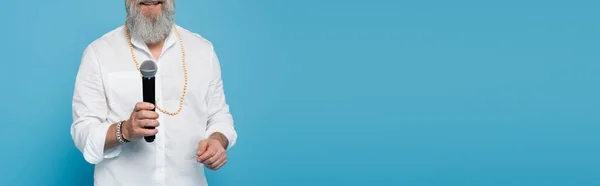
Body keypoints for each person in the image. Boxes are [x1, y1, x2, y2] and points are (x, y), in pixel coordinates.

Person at [70, 0, 237, 185]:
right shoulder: (98, 53)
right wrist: (124, 130)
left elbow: (219, 116)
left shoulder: (202, 50)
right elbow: (83, 132)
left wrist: (217, 140)